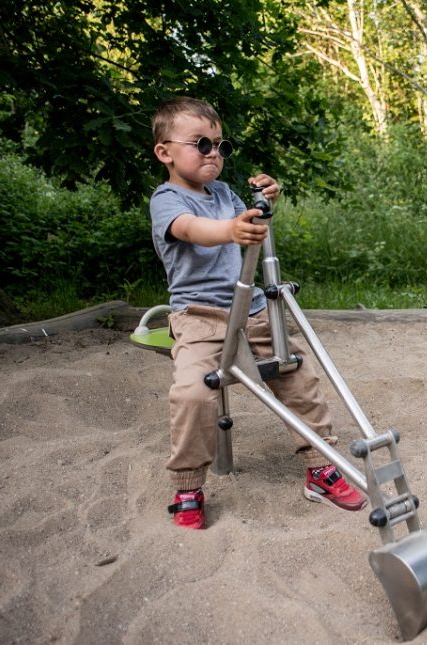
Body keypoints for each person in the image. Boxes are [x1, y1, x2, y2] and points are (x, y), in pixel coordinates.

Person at [149, 97, 366, 529]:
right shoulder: (167, 199)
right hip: (200, 317)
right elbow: (192, 230)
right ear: (165, 151)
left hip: (252, 312)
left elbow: (249, 223)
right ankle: (189, 485)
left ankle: (319, 467)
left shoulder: (226, 194)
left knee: (299, 375)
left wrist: (264, 202)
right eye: (201, 144)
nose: (214, 153)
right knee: (193, 393)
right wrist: (229, 229)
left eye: (220, 146)